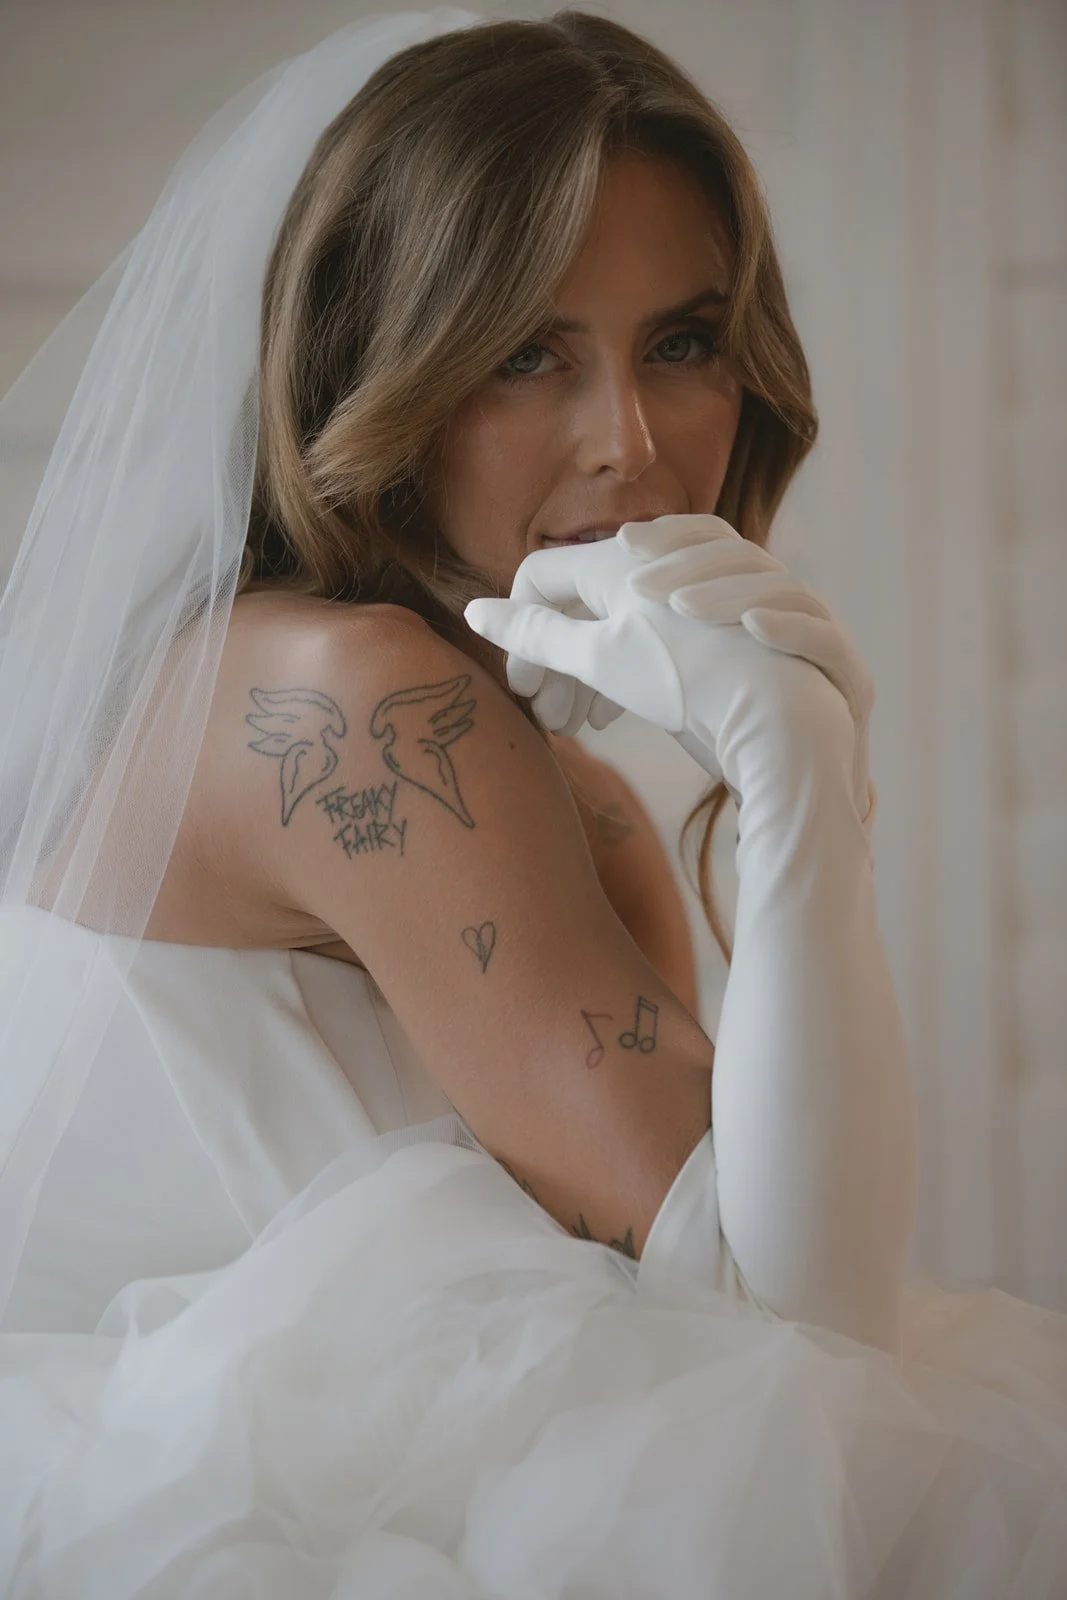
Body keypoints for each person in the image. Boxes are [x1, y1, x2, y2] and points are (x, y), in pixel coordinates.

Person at [0, 10, 1063, 1596]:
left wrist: (792, 782)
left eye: (683, 343)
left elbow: (760, 1347)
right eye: (523, 352)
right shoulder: (363, 706)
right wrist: (795, 776)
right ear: (383, 369)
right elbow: (799, 1355)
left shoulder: (569, 796)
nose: (629, 445)